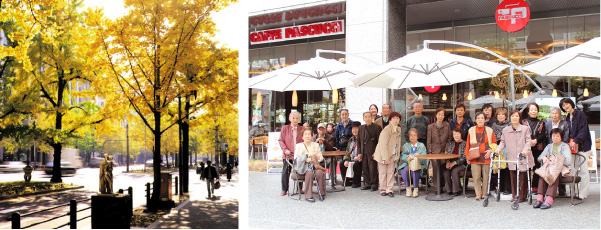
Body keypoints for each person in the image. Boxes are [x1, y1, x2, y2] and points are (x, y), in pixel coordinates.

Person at [496, 110, 534, 203]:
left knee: (523, 176)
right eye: (512, 116)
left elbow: (528, 141)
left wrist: (525, 150)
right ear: (510, 118)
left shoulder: (525, 129)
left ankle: (522, 196)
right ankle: (514, 195)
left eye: (516, 116)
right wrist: (498, 149)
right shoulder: (506, 130)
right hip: (512, 156)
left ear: (519, 118)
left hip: (523, 155)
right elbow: (503, 142)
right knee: (513, 177)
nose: (514, 118)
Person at [560, 98, 592, 199]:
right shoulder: (567, 117)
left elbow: (583, 130)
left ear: (571, 104)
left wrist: (575, 141)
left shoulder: (580, 114)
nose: (566, 106)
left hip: (582, 146)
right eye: (563, 106)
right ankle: (573, 191)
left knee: (584, 170)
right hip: (571, 148)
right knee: (572, 170)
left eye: (567, 104)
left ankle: (583, 192)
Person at [533, 128, 573, 209]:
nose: (555, 138)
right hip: (549, 168)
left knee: (554, 173)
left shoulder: (565, 146)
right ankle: (540, 198)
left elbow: (568, 161)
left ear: (561, 137)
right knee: (543, 174)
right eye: (553, 136)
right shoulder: (549, 146)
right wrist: (543, 157)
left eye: (557, 136)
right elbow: (539, 158)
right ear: (551, 137)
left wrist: (556, 161)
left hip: (561, 170)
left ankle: (549, 198)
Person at [465, 112, 496, 200]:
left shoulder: (490, 130)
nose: (480, 120)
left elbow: (494, 143)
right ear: (475, 120)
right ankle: (478, 193)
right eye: (478, 118)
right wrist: (467, 156)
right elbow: (468, 144)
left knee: (486, 176)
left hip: (486, 155)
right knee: (476, 176)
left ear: (485, 119)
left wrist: (490, 151)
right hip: (475, 156)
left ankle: (484, 193)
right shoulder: (471, 130)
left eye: (482, 118)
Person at [374, 112, 403, 197]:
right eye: (393, 118)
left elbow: (398, 142)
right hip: (383, 154)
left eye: (397, 118)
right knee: (383, 173)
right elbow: (383, 144)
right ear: (390, 120)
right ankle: (383, 190)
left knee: (390, 172)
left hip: (392, 154)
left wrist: (397, 154)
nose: (395, 120)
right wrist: (384, 157)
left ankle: (389, 189)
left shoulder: (398, 129)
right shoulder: (386, 130)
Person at [294, 129, 326, 202]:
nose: (307, 136)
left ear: (312, 136)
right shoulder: (299, 146)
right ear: (302, 137)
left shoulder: (316, 145)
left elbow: (321, 158)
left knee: (320, 173)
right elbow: (296, 158)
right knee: (309, 173)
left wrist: (315, 155)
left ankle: (322, 193)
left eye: (309, 134)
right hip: (303, 168)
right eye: (305, 134)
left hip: (314, 166)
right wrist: (305, 159)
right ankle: (308, 195)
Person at [522, 102, 547, 194]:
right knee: (527, 167)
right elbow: (521, 135)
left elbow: (544, 134)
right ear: (528, 111)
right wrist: (529, 142)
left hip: (538, 147)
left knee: (537, 167)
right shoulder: (523, 122)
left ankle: (535, 186)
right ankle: (527, 186)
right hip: (526, 149)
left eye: (535, 110)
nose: (533, 111)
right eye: (531, 110)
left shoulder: (541, 123)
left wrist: (536, 140)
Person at [278, 111, 304, 196]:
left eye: (297, 118)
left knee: (300, 170)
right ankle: (284, 189)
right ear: (290, 119)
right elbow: (281, 140)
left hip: (299, 154)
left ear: (299, 119)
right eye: (293, 118)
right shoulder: (285, 128)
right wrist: (285, 150)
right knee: (286, 171)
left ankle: (299, 188)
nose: (295, 120)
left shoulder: (302, 129)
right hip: (288, 154)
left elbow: (305, 140)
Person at [427, 107, 451, 190]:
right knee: (435, 169)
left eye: (442, 115)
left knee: (443, 169)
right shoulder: (430, 127)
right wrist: (429, 152)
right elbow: (429, 140)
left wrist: (447, 149)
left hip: (444, 151)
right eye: (439, 114)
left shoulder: (447, 125)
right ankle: (437, 188)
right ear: (436, 115)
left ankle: (443, 186)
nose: (441, 116)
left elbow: (449, 139)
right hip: (434, 151)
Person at [399, 128, 428, 197]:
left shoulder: (421, 146)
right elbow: (403, 156)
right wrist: (410, 157)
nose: (412, 137)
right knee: (405, 169)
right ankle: (408, 188)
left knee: (414, 169)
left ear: (417, 137)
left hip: (419, 165)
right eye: (411, 135)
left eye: (414, 135)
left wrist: (416, 156)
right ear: (408, 137)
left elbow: (424, 157)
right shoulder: (405, 146)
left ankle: (415, 189)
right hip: (407, 164)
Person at [358, 112, 383, 191]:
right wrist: (359, 152)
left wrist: (377, 152)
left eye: (369, 117)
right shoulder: (361, 128)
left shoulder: (377, 127)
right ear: (363, 118)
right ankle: (367, 183)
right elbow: (358, 141)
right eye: (365, 117)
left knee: (373, 168)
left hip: (372, 150)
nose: (367, 118)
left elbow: (380, 141)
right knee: (364, 167)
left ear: (372, 118)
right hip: (363, 150)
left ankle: (374, 184)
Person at [490, 107, 512, 195]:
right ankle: (499, 186)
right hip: (497, 147)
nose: (500, 116)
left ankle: (507, 188)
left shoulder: (509, 125)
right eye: (499, 114)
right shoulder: (494, 125)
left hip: (507, 147)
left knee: (506, 167)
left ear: (506, 116)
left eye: (503, 114)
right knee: (499, 167)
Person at [442, 128, 467, 196]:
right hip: (451, 162)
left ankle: (456, 190)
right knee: (446, 171)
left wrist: (455, 163)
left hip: (461, 163)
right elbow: (448, 154)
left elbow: (464, 157)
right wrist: (448, 162)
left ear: (461, 135)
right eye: (454, 134)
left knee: (454, 171)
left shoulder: (465, 143)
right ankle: (449, 190)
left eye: (458, 134)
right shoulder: (452, 143)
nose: (456, 136)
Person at [340, 121, 363, 188]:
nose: (354, 130)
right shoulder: (351, 139)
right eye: (353, 129)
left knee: (357, 164)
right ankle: (347, 181)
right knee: (342, 163)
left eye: (356, 129)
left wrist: (359, 157)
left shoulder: (362, 139)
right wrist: (346, 159)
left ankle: (356, 182)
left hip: (360, 159)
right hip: (351, 158)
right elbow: (347, 151)